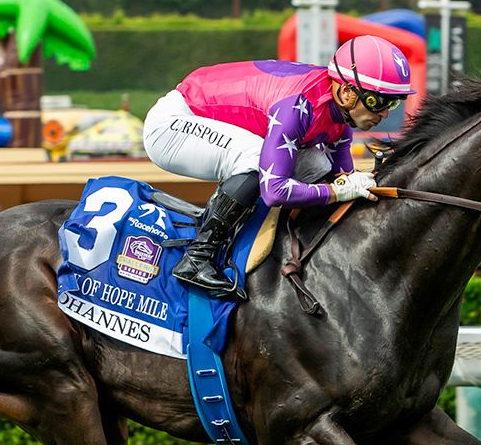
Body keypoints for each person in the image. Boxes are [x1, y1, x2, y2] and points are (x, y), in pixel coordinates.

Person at [143, 34, 414, 299]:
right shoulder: (297, 107)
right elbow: (274, 191)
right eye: (377, 101)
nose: (384, 113)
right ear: (345, 92)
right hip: (172, 124)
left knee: (319, 164)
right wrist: (339, 189)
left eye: (393, 102)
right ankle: (197, 258)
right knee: (254, 157)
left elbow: (341, 178)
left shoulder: (340, 117)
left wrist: (355, 186)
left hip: (209, 116)